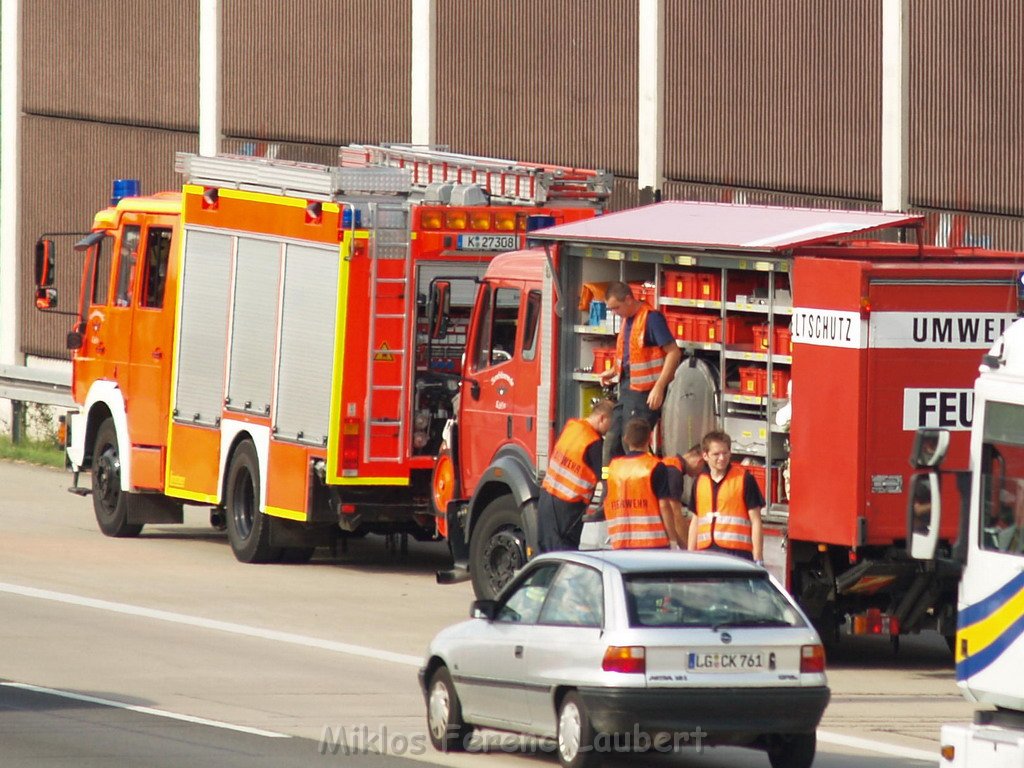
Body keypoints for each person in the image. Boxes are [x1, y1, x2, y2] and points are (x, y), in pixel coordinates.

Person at [599, 281, 682, 460]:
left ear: (628, 299)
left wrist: (659, 388)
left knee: (632, 445)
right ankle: (608, 484)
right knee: (611, 444)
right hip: (628, 388)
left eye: (616, 308)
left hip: (645, 393)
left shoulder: (651, 319)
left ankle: (641, 483)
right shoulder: (628, 320)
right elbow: (633, 354)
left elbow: (673, 353)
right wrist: (614, 370)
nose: (615, 313)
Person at [535, 400, 614, 553]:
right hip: (567, 509)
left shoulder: (572, 426)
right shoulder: (593, 442)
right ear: (602, 418)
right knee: (564, 556)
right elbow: (603, 474)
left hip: (546, 497)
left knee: (545, 552)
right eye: (609, 425)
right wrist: (611, 472)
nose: (609, 430)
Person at [604, 418, 686, 550]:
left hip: (620, 542)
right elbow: (664, 506)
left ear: (626, 439)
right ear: (650, 439)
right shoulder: (655, 466)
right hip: (652, 544)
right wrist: (672, 540)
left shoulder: (613, 467)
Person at [687, 430, 765, 562]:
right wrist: (690, 555)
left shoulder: (744, 479)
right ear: (705, 456)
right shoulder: (700, 481)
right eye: (716, 454)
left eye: (725, 453)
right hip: (706, 554)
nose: (722, 458)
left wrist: (758, 557)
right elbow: (696, 520)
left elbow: (756, 520)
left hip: (737, 554)